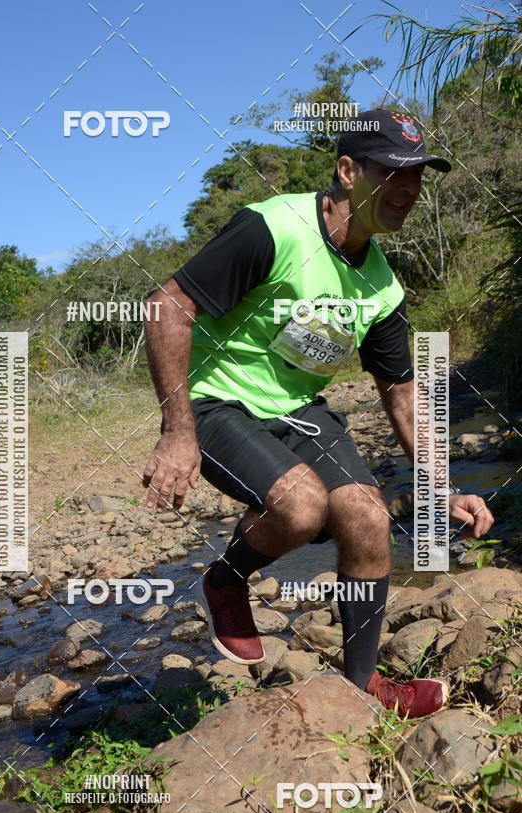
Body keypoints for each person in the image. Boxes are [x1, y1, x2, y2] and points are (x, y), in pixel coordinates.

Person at [142, 108, 495, 718]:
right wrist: (178, 432)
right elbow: (166, 307)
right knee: (301, 507)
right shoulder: (271, 228)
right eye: (394, 173)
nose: (409, 190)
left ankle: (361, 691)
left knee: (367, 517)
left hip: (298, 408)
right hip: (217, 399)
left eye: (418, 177)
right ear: (348, 171)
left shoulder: (382, 286)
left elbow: (403, 392)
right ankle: (227, 577)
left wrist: (443, 489)